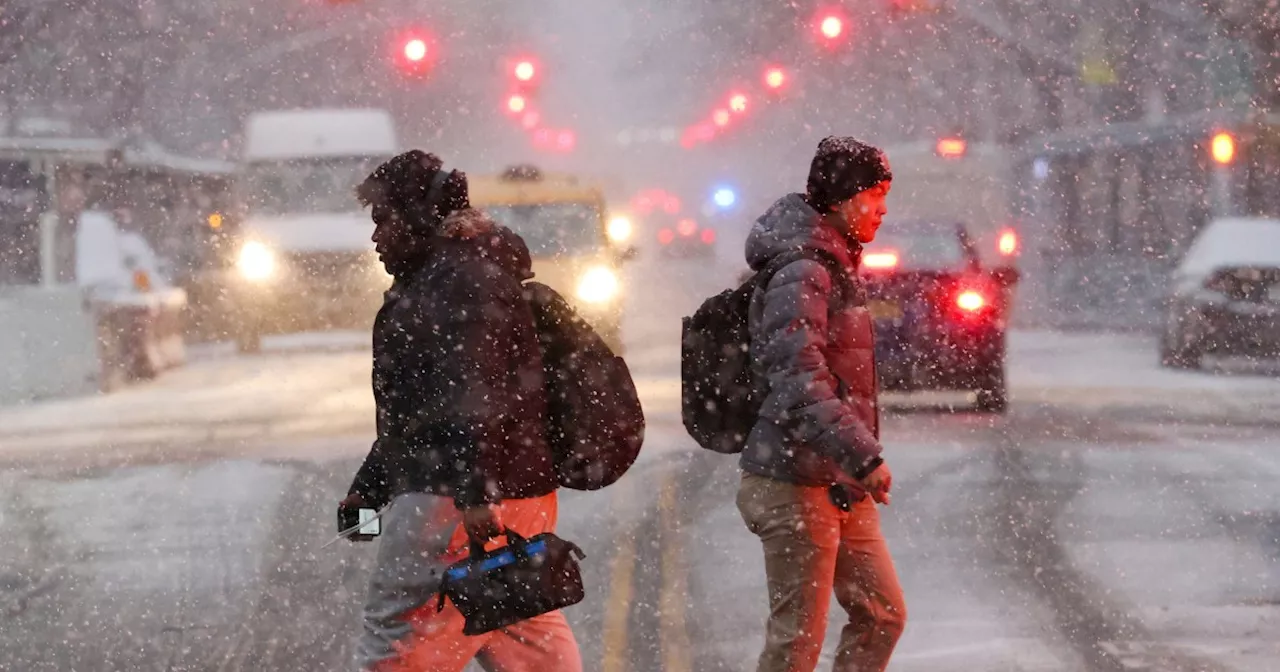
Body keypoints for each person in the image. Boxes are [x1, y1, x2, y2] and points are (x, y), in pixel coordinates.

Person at [341, 150, 581, 672]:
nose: (377, 236)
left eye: (385, 219)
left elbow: (470, 394)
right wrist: (372, 486)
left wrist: (475, 492)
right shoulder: (466, 275)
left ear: (421, 216)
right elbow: (423, 408)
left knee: (400, 643)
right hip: (510, 490)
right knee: (524, 636)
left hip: (455, 499)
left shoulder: (454, 283)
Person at [735, 136, 906, 672]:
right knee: (796, 646)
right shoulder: (804, 268)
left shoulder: (833, 263)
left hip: (835, 479)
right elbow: (797, 376)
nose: (881, 209)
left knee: (881, 614)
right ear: (838, 198)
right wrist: (864, 454)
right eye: (873, 195)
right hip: (793, 481)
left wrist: (853, 463)